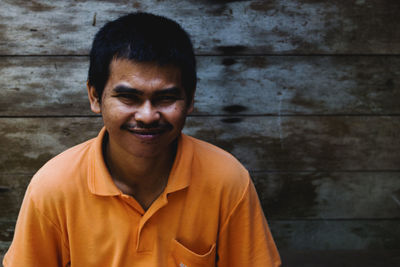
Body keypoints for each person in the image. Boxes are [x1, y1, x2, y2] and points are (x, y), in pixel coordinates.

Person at [3, 12, 281, 267]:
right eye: (128, 97)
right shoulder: (53, 188)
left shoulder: (226, 179)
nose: (148, 116)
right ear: (94, 97)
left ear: (191, 98)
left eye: (166, 97)